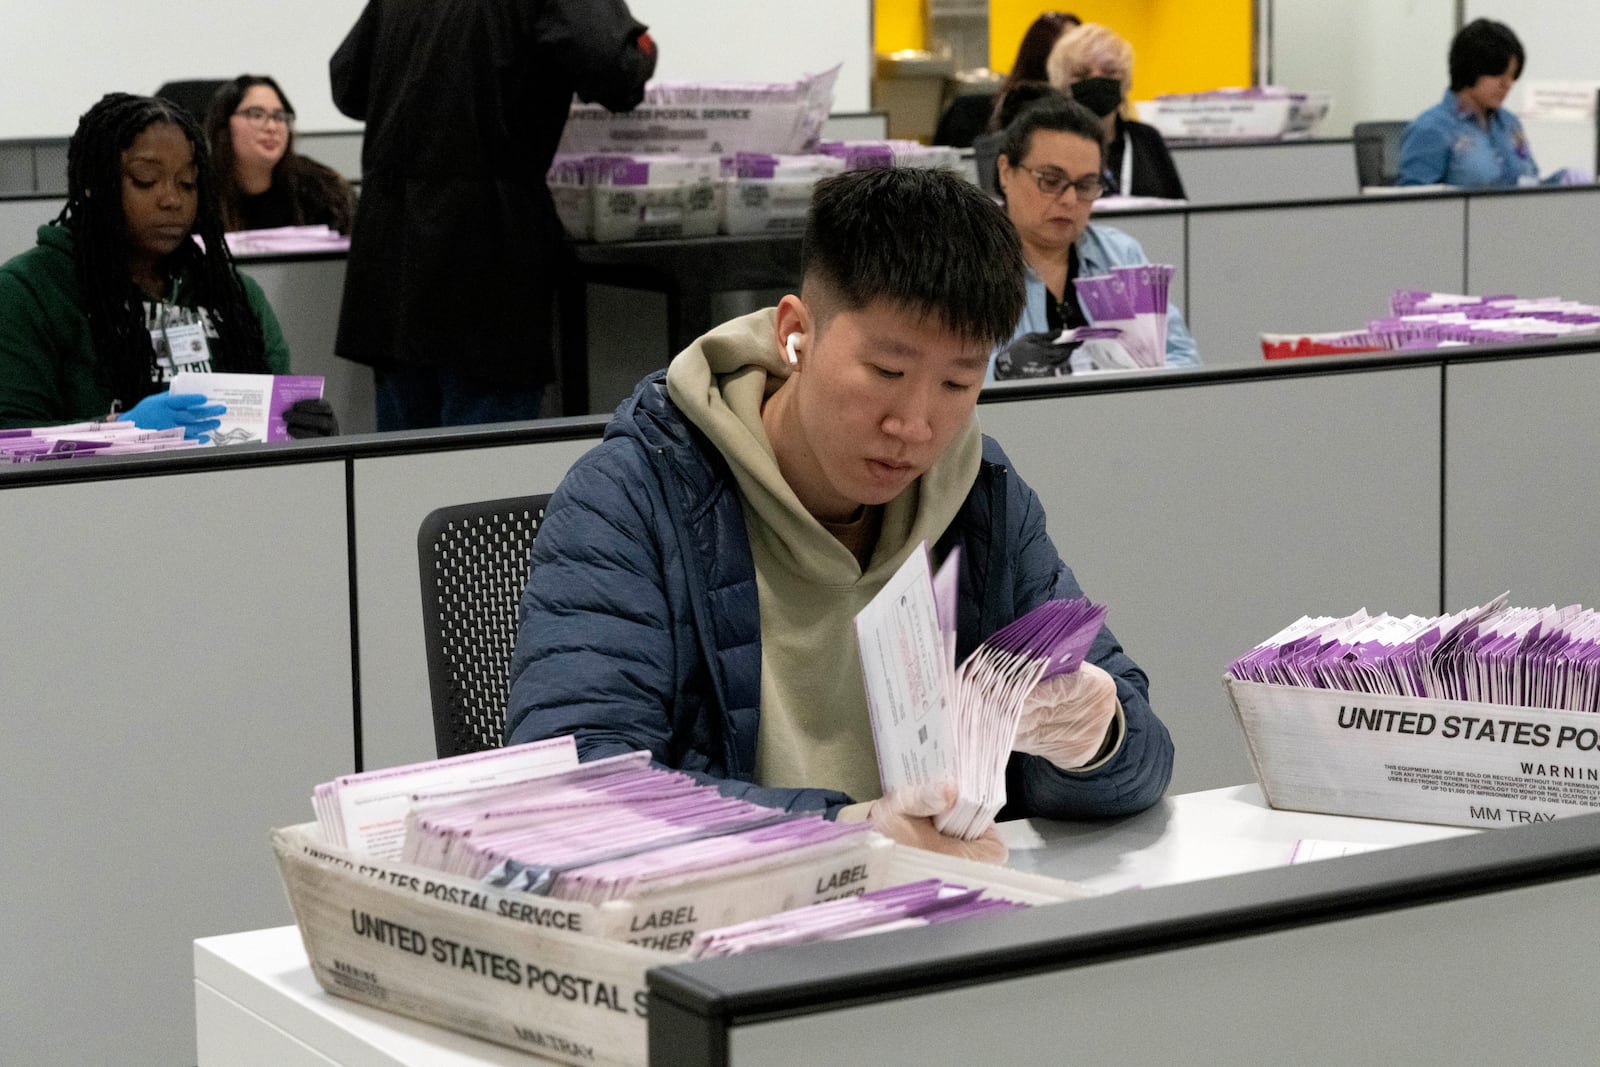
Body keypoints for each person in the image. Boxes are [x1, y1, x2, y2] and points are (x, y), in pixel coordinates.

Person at [506, 167, 1175, 863]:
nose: (915, 424)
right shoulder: (637, 495)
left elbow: (1142, 760)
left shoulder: (981, 497)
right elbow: (581, 788)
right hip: (721, 938)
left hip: (938, 922)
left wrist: (1099, 737)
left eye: (958, 381)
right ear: (797, 333)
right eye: (887, 371)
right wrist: (845, 833)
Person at [330, 1, 658, 431]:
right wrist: (644, 47)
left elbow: (348, 84)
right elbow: (614, 69)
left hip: (392, 257)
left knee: (401, 472)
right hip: (485, 253)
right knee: (482, 473)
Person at [0, 93, 332, 437]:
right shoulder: (28, 292)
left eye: (187, 183)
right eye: (146, 180)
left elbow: (275, 422)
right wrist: (118, 430)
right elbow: (8, 439)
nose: (172, 199)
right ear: (93, 186)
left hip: (229, 488)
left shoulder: (234, 294)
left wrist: (303, 430)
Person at [992, 92, 1199, 379]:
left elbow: (1182, 357)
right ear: (1005, 172)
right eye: (1050, 181)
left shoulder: (1120, 255)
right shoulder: (969, 263)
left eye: (1087, 185)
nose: (1069, 199)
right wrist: (1002, 370)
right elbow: (945, 373)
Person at [1046, 21, 1185, 201]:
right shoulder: (1047, 143)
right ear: (1062, 83)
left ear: (1126, 80)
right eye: (1082, 74)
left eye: (1110, 72)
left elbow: (1179, 209)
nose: (1097, 80)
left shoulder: (1147, 140)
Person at [205, 75, 356, 234]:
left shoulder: (322, 189)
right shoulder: (198, 192)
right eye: (256, 115)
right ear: (223, 124)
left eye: (279, 117)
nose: (272, 127)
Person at [1397, 18, 1536, 188]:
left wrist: (1560, 180)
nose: (1507, 85)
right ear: (1470, 69)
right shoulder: (1432, 129)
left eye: (1512, 76)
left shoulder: (1509, 123)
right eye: (1498, 74)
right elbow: (1413, 203)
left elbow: (1531, 182)